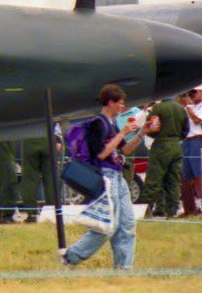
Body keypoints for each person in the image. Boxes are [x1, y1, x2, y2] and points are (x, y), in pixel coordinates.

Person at [61, 84, 148, 269]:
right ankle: (71, 256)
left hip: (118, 175)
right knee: (107, 225)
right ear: (110, 102)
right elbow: (101, 153)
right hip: (106, 176)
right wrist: (123, 133)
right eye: (120, 103)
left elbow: (124, 149)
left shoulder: (114, 124)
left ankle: (124, 269)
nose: (122, 107)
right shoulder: (97, 124)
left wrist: (142, 132)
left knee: (127, 225)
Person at [141, 95, 186, 218]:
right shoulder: (181, 109)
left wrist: (157, 138)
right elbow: (185, 130)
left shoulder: (158, 108)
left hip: (161, 146)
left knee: (154, 178)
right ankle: (172, 212)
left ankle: (146, 210)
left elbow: (152, 128)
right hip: (176, 146)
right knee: (173, 181)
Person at [179, 85, 202, 216]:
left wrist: (188, 106)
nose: (192, 95)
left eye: (195, 92)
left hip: (198, 139)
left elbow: (197, 119)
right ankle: (190, 209)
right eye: (190, 92)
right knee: (185, 176)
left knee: (199, 175)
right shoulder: (188, 107)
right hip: (186, 141)